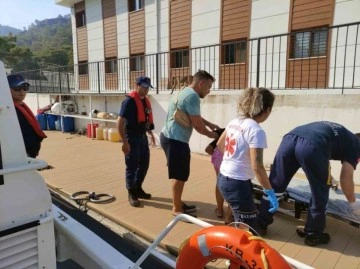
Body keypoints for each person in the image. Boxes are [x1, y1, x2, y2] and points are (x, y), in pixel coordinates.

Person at [257, 121, 360, 246]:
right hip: (313, 146)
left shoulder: (343, 134)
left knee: (276, 185)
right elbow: (346, 178)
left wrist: (328, 176)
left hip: (289, 138)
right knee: (320, 191)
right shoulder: (356, 146)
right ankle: (313, 234)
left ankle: (260, 224)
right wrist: (354, 205)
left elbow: (323, 153)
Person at [217, 87, 278, 234]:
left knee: (240, 222)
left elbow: (219, 145)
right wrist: (270, 192)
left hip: (223, 179)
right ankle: (236, 255)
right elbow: (257, 166)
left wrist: (234, 160)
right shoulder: (256, 131)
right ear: (267, 110)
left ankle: (233, 253)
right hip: (237, 184)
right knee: (250, 231)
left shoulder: (234, 122)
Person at [160, 70, 219, 217]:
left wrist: (209, 124)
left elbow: (194, 116)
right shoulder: (192, 96)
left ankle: (178, 202)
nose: (209, 91)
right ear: (201, 83)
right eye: (208, 86)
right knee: (179, 176)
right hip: (176, 140)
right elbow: (198, 127)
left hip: (168, 136)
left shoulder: (184, 91)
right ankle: (176, 209)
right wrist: (215, 136)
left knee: (178, 173)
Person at [117, 76, 156, 207]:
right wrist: (124, 142)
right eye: (143, 87)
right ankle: (131, 192)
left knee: (144, 164)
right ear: (137, 85)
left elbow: (145, 120)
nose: (145, 90)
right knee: (132, 166)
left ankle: (138, 187)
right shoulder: (129, 102)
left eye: (147, 88)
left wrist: (150, 133)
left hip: (142, 137)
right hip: (131, 137)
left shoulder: (145, 101)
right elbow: (119, 122)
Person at [8, 74, 47, 158]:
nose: (22, 91)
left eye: (25, 88)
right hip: (19, 155)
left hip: (29, 154)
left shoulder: (20, 106)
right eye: (17, 88)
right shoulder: (7, 110)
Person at [205, 128, 234, 224]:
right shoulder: (243, 133)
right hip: (232, 161)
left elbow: (208, 149)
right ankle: (229, 218)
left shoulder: (223, 131)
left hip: (219, 158)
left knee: (219, 183)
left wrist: (216, 156)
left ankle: (220, 211)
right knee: (232, 187)